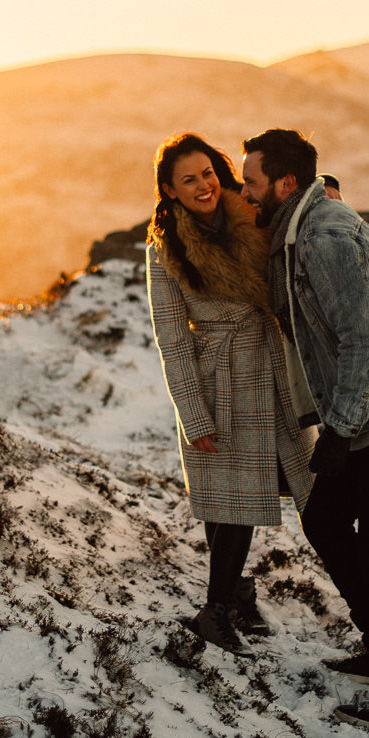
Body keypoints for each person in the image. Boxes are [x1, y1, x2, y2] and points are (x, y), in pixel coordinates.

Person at [241, 128, 369, 737]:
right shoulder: (304, 226)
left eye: (252, 183)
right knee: (327, 520)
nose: (245, 193)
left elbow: (363, 339)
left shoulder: (326, 235)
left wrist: (338, 433)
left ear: (285, 184)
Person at [145, 132, 317, 657]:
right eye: (188, 180)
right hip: (221, 381)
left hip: (275, 370)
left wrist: (326, 188)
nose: (203, 186)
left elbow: (294, 200)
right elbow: (172, 342)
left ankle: (236, 593)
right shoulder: (166, 250)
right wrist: (192, 415)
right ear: (170, 192)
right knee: (234, 499)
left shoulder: (250, 217)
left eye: (208, 173)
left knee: (254, 496)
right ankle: (216, 611)